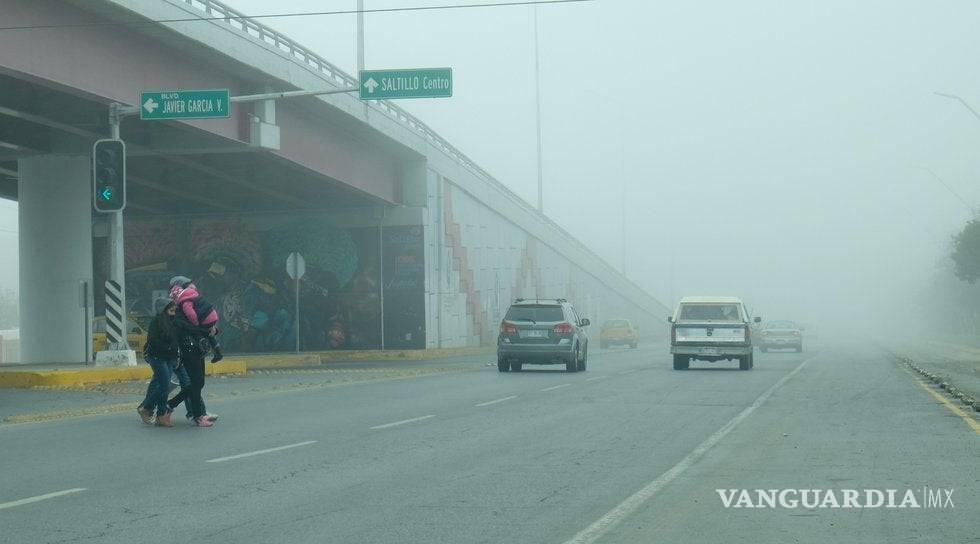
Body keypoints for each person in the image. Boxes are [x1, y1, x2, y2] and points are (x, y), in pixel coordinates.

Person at [137, 303, 180, 427]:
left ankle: (159, 416)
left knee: (164, 386)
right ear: (163, 309)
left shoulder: (174, 322)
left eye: (174, 310)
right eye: (170, 310)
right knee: (164, 385)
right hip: (158, 357)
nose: (173, 312)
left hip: (170, 358)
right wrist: (168, 348)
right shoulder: (156, 322)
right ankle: (148, 408)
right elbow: (152, 340)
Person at [168, 275, 224, 363]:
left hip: (203, 321)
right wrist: (212, 325)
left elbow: (190, 314)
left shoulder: (184, 301)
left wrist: (195, 324)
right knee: (210, 334)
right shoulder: (193, 294)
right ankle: (217, 351)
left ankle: (204, 348)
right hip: (211, 316)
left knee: (200, 333)